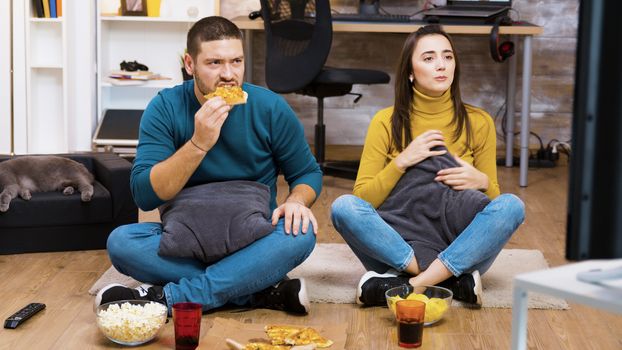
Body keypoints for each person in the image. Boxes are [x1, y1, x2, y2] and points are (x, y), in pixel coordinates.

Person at [94, 16, 322, 315]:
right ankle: (254, 288)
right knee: (122, 242)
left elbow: (307, 173)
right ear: (190, 65)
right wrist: (198, 143)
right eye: (214, 63)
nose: (229, 75)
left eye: (236, 61)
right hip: (183, 239)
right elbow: (145, 195)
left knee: (302, 233)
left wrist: (296, 201)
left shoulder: (270, 107)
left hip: (252, 237)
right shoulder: (164, 108)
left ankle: (168, 298)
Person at [330, 25, 525, 307]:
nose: (441, 65)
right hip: (401, 246)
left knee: (512, 205)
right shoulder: (385, 122)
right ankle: (449, 281)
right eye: (429, 58)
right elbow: (362, 200)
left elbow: (494, 208)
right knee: (342, 207)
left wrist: (481, 181)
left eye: (447, 57)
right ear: (410, 71)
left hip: (461, 247)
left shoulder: (479, 121)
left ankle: (411, 284)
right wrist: (401, 162)